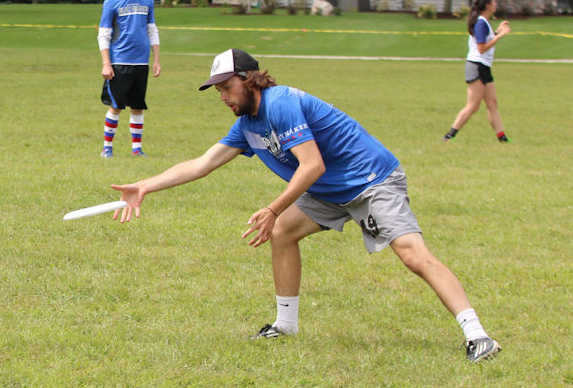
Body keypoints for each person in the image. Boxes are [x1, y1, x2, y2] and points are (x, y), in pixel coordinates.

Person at [109, 48, 501, 364]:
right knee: (283, 233)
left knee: (413, 256)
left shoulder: (281, 104)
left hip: (371, 180)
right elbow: (202, 164)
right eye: (218, 92)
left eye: (226, 87)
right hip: (329, 190)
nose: (224, 98)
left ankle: (478, 336)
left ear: (248, 80)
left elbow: (312, 164)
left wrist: (274, 207)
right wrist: (145, 186)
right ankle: (286, 325)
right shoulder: (248, 123)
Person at [97, 0, 161, 158]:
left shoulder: (147, 1)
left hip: (141, 62)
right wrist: (106, 63)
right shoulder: (111, 2)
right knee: (116, 106)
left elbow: (152, 29)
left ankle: (136, 149)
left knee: (138, 106)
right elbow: (104, 33)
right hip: (119, 62)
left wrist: (156, 59)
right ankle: (107, 147)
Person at [443, 0, 511, 143]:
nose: (495, 4)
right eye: (494, 2)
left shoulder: (484, 22)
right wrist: (500, 36)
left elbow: (486, 39)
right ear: (487, 5)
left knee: (492, 103)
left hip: (484, 67)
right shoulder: (480, 23)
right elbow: (481, 48)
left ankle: (502, 138)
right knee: (473, 106)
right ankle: (449, 136)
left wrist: (498, 31)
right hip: (476, 66)